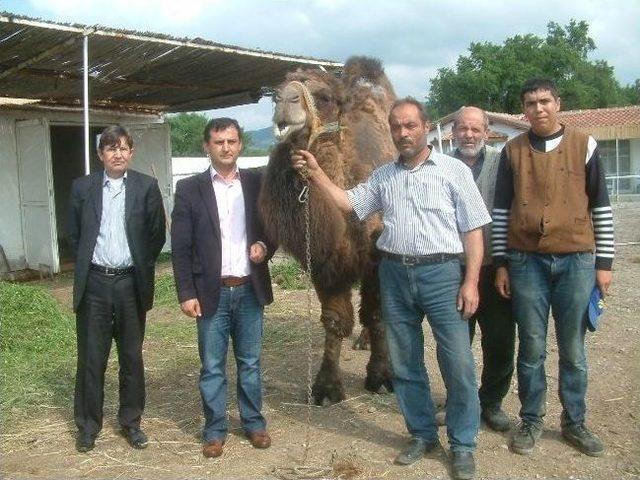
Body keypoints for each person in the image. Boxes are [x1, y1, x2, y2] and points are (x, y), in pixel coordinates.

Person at [292, 98, 491, 480]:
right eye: (396, 127)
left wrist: (471, 281)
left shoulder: (453, 172)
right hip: (395, 275)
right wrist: (316, 172)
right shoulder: (384, 176)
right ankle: (421, 434)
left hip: (442, 274)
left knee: (458, 363)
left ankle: (463, 444)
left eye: (410, 126)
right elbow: (348, 204)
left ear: (426, 127)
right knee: (405, 363)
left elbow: (473, 230)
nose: (402, 133)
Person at [492, 78, 614, 457]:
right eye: (530, 103)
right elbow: (500, 213)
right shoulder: (511, 152)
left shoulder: (584, 145)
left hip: (577, 260)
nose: (538, 108)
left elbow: (602, 208)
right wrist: (501, 263)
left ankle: (574, 423)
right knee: (531, 347)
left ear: (557, 103)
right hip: (525, 261)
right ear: (523, 110)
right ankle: (530, 420)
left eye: (545, 101)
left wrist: (604, 264)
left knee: (573, 349)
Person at [171, 118, 274, 459]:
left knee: (250, 363)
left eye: (231, 141)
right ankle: (214, 430)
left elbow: (270, 229)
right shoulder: (189, 189)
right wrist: (186, 292)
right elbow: (181, 247)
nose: (226, 148)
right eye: (219, 142)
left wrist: (263, 245)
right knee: (212, 366)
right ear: (207, 146)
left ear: (241, 144)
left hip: (248, 288)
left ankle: (254, 424)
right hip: (210, 291)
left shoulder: (257, 183)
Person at [68, 125, 166, 452]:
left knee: (130, 357)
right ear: (101, 154)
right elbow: (73, 236)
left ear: (132, 151)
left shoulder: (146, 187)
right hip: (94, 283)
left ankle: (131, 422)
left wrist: (136, 264)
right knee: (92, 359)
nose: (118, 154)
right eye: (111, 148)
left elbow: (156, 236)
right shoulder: (82, 188)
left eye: (123, 148)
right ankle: (88, 426)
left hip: (129, 284)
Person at [450, 106, 515, 432]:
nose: (469, 135)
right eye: (463, 129)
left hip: (495, 268)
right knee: (456, 343)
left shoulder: (504, 162)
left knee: (500, 340)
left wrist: (505, 262)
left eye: (476, 129)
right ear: (453, 132)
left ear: (487, 132)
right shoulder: (440, 165)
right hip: (452, 269)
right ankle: (459, 401)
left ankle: (491, 401)